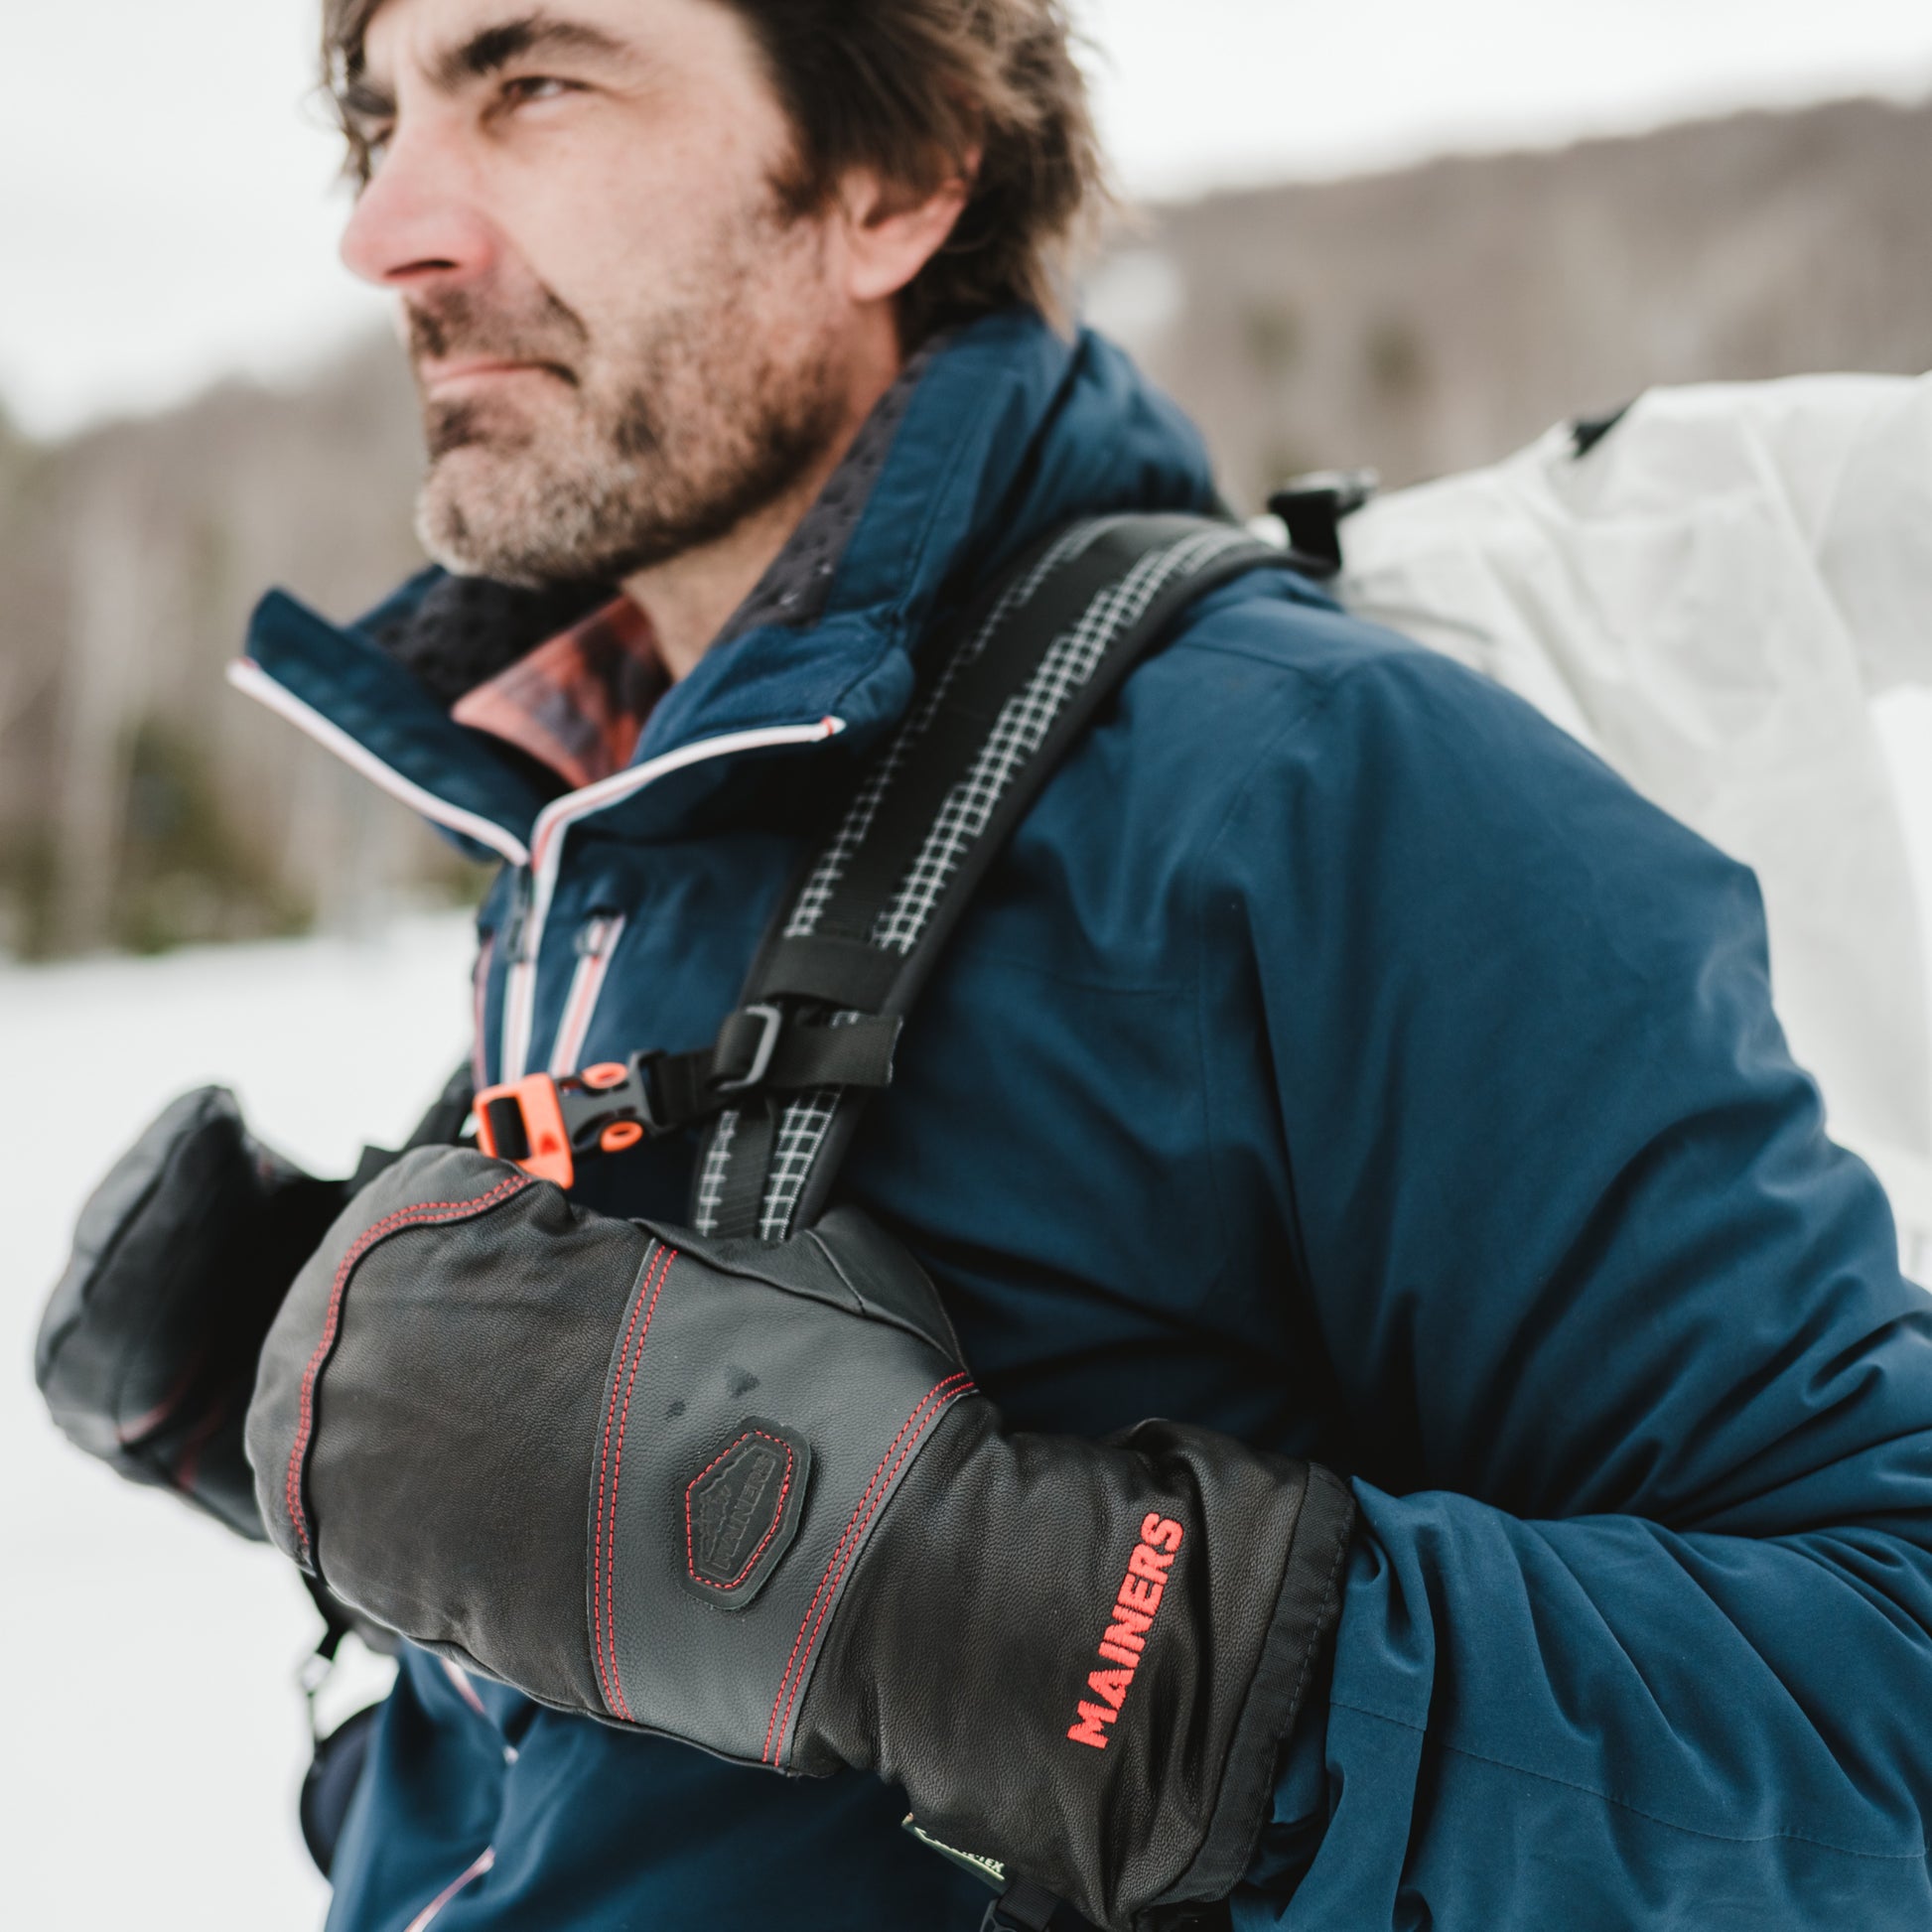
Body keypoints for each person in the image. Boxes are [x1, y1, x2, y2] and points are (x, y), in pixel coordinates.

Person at [35, 2, 1932, 1927]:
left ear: (891, 178)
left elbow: (1884, 1712)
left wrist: (957, 1601)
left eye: (534, 83)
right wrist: (326, 1435)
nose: (391, 227)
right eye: (383, 116)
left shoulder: (1326, 793)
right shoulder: (602, 821)